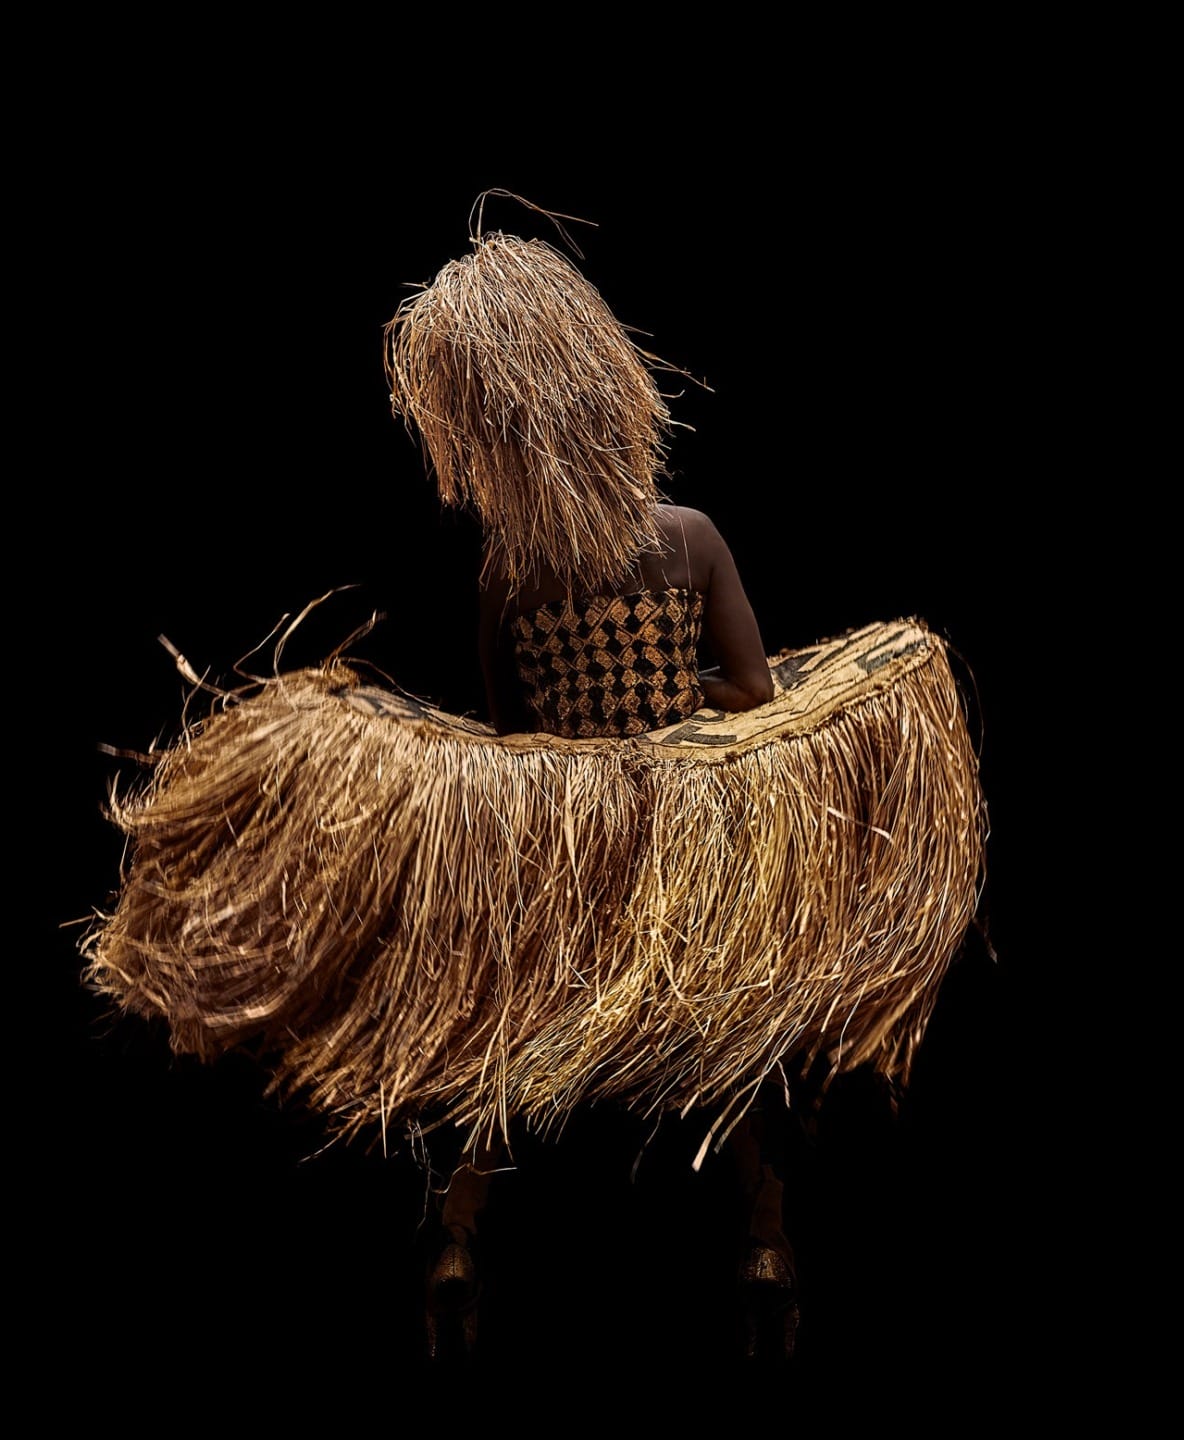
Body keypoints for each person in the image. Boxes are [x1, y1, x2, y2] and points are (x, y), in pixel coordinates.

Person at [383, 194, 799, 1365]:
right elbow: (756, 694)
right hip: (684, 837)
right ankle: (763, 1235)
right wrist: (670, 712)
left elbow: (515, 741)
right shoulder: (689, 534)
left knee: (511, 1032)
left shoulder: (505, 578)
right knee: (743, 1023)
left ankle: (461, 1228)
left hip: (569, 848)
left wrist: (585, 744)